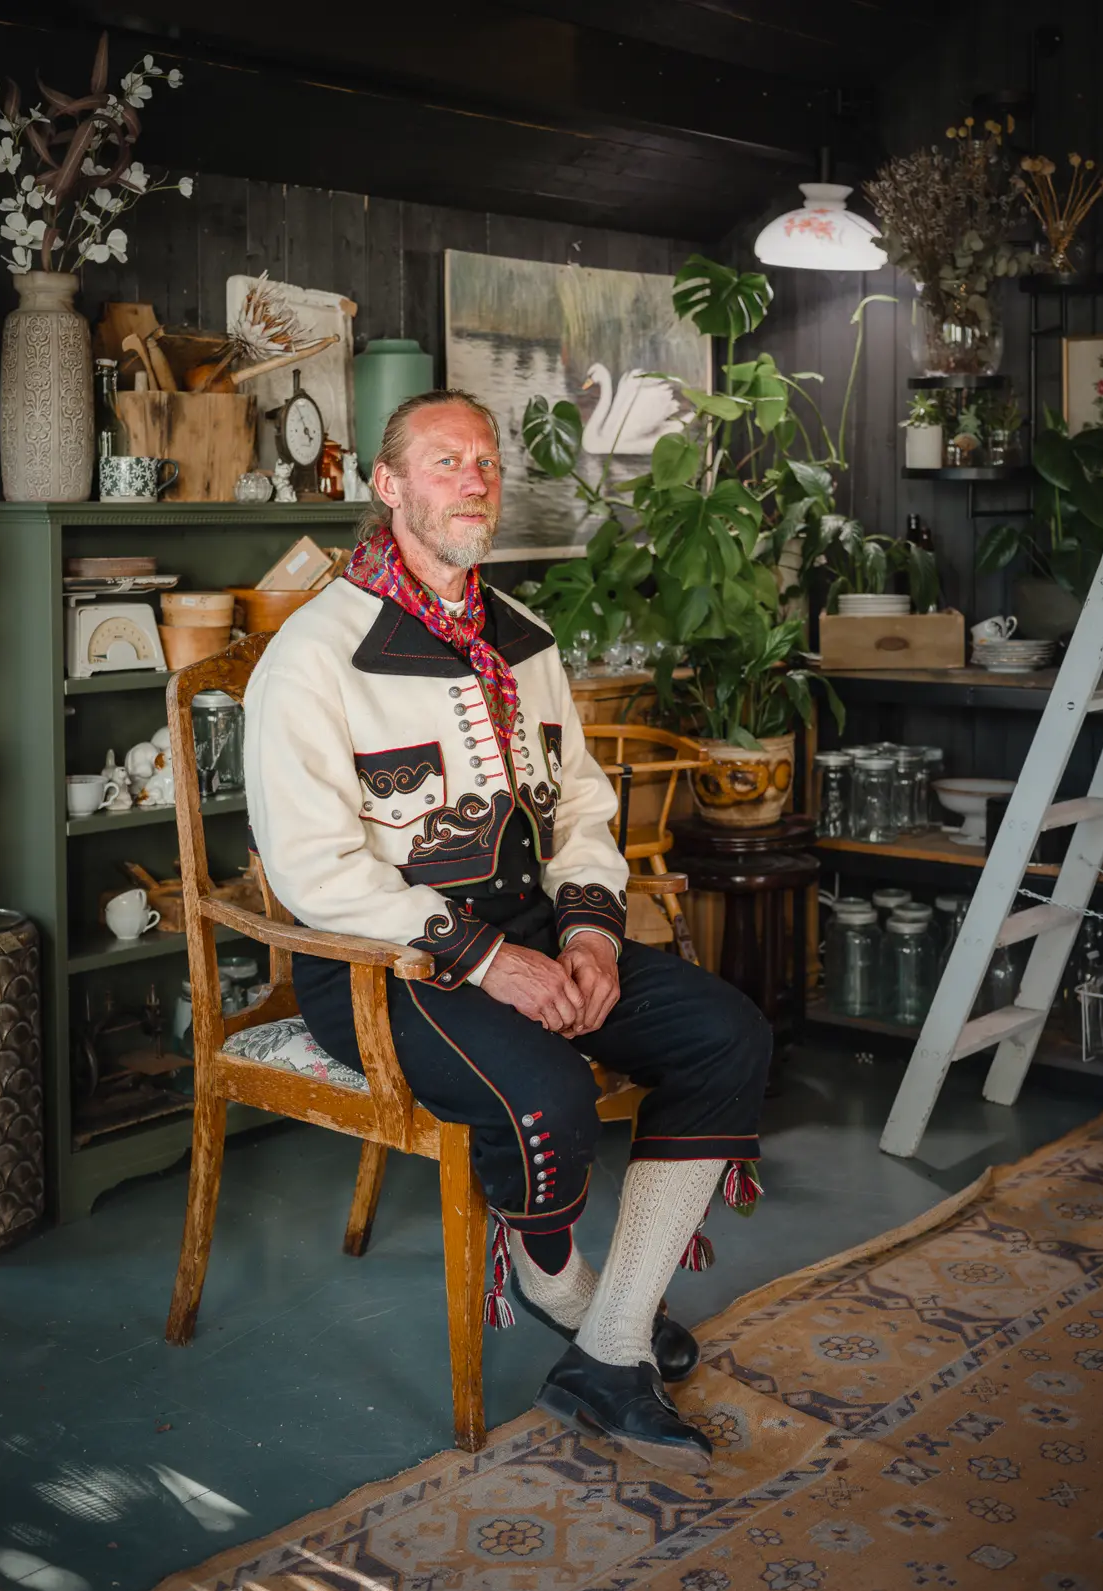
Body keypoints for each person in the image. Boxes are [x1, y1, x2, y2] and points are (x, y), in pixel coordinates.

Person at [245, 388, 771, 1472]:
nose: (474, 479)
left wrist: (584, 933)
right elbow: (311, 873)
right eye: (445, 462)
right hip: (380, 966)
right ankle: (562, 1285)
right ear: (388, 489)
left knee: (727, 1034)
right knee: (548, 1095)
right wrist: (487, 959)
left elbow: (578, 804)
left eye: (484, 461)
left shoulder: (522, 639)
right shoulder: (311, 657)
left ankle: (609, 1350)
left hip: (535, 926)